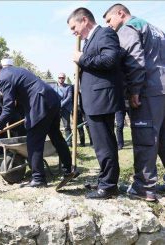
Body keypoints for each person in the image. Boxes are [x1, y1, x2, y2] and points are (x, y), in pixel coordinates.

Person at [103, 3, 165, 201]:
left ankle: (144, 188)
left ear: (121, 13)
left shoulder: (129, 28)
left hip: (148, 91)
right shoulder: (154, 29)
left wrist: (135, 90)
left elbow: (134, 59)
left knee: (145, 140)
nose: (109, 25)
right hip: (162, 89)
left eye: (109, 20)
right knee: (162, 139)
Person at [0, 61, 76, 187]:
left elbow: (8, 109)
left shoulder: (4, 78)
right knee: (56, 137)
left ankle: (38, 179)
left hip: (41, 103)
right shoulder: (13, 71)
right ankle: (69, 170)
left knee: (33, 141)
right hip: (51, 100)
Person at [68, 7, 123, 199]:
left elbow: (110, 60)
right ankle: (104, 180)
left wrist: (82, 58)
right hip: (93, 99)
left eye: (74, 27)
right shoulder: (90, 40)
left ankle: (108, 186)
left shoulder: (105, 33)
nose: (73, 32)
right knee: (101, 144)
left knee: (104, 144)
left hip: (102, 99)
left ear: (84, 20)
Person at [51, 73, 73, 146]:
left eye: (62, 78)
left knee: (67, 126)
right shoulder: (54, 87)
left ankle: (69, 143)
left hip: (65, 109)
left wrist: (60, 105)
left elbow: (69, 97)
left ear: (64, 78)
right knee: (55, 126)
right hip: (56, 110)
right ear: (57, 78)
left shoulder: (68, 87)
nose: (61, 79)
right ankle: (58, 143)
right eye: (60, 77)